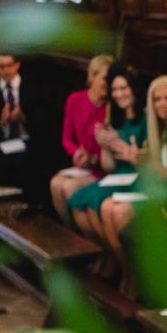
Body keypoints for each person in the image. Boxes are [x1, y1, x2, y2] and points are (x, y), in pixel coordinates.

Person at [99, 74, 167, 295]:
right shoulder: (159, 131)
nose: (162, 104)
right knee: (108, 208)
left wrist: (146, 163)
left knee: (118, 212)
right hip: (153, 188)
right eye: (157, 99)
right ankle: (127, 270)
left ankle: (134, 278)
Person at [65, 63, 147, 260]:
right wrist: (104, 146)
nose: (119, 94)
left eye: (123, 88)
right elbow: (109, 166)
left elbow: (147, 164)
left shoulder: (145, 118)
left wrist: (124, 148)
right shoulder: (115, 119)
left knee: (99, 204)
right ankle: (109, 257)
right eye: (115, 90)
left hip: (137, 176)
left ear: (133, 89)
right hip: (118, 175)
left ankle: (124, 265)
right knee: (78, 201)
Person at [0, 52, 54, 206]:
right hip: (1, 143)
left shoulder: (34, 86)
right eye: (1, 66)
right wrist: (1, 121)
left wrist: (24, 117)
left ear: (17, 65)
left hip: (29, 140)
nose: (6, 70)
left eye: (9, 65)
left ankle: (32, 207)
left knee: (35, 158)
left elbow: (47, 123)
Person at [50, 54, 114, 220]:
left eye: (111, 79)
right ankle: (70, 234)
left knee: (69, 187)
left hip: (101, 169)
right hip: (81, 165)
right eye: (105, 78)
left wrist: (93, 159)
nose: (108, 84)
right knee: (56, 183)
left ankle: (81, 241)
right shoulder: (75, 99)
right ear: (92, 76)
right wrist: (76, 153)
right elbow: (66, 139)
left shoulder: (111, 107)